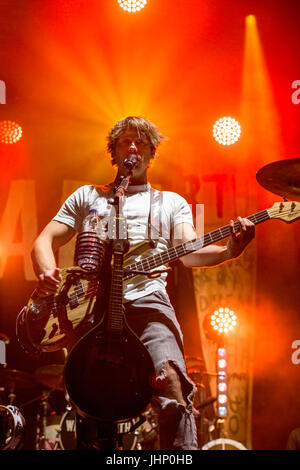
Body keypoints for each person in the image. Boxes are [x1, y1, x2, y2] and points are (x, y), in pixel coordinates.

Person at [31, 116, 255, 450]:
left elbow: (190, 253)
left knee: (172, 387)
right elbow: (44, 240)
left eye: (141, 143)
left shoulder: (170, 203)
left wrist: (230, 250)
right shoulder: (88, 196)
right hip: (93, 308)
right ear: (114, 152)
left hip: (148, 303)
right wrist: (47, 272)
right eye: (125, 141)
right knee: (90, 401)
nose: (133, 147)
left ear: (151, 154)